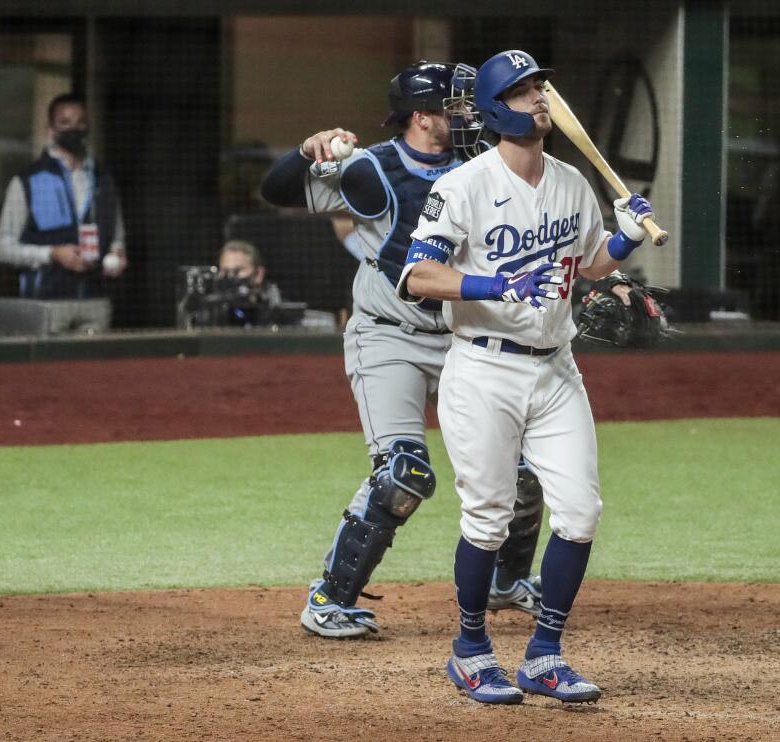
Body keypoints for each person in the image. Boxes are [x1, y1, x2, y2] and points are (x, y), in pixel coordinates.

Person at [398, 50, 655, 704]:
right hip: (483, 369)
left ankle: (544, 654)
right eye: (521, 90)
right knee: (488, 519)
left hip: (557, 371)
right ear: (492, 108)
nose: (539, 96)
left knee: (580, 514)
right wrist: (494, 281)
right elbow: (417, 276)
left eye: (540, 85)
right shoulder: (462, 187)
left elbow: (591, 263)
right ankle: (471, 649)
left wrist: (621, 241)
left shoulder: (571, 182)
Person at [259, 60, 547, 641]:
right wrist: (305, 147)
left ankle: (506, 582)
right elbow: (275, 190)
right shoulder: (372, 169)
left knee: (523, 475)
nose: (468, 115)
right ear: (422, 117)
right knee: (403, 473)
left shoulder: (482, 167)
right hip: (388, 336)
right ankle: (329, 599)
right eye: (455, 107)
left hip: (466, 337)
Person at [0, 93, 127, 299]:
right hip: (45, 301)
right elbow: (1, 248)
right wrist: (52, 254)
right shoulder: (28, 180)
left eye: (80, 122)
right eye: (65, 122)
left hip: (96, 299)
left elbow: (117, 238)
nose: (74, 129)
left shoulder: (103, 179)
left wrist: (117, 254)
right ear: (51, 130)